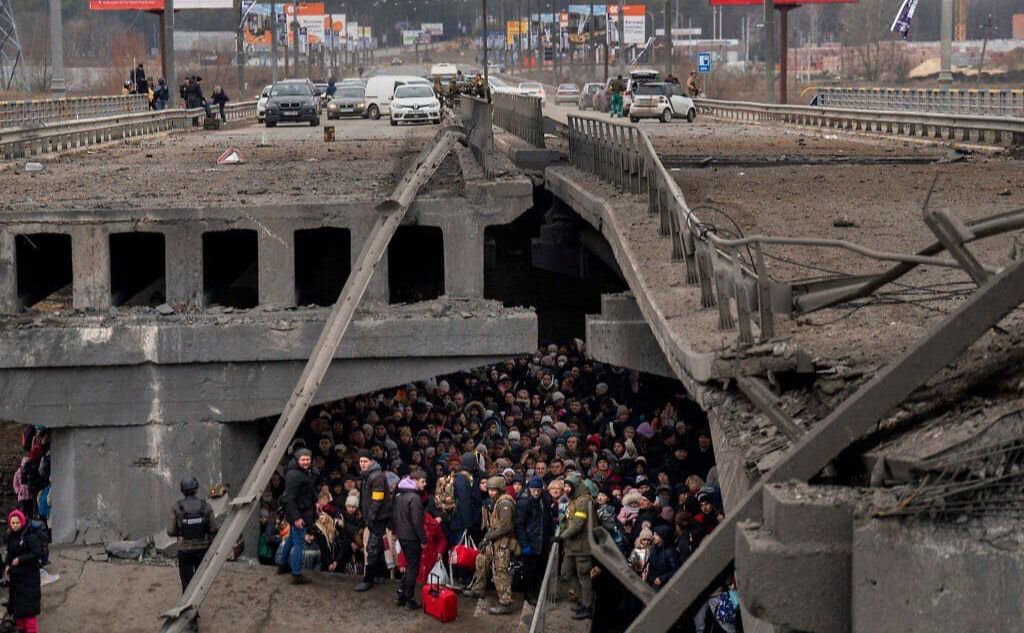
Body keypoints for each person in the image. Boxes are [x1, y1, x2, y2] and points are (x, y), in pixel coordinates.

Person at [464, 476, 517, 615]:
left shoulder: (505, 503)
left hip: (502, 543)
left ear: (500, 489)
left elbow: (506, 527)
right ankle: (478, 589)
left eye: (494, 490)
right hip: (494, 540)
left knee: (500, 571)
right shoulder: (496, 502)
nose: (491, 493)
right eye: (489, 490)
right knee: (481, 560)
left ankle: (505, 602)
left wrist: (488, 537)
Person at [167, 476, 217, 604]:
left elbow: (170, 531)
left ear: (182, 491)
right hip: (202, 549)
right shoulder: (206, 506)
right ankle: (196, 607)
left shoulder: (176, 507)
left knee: (187, 583)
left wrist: (182, 531)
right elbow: (213, 529)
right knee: (200, 582)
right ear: (196, 489)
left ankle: (189, 613)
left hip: (185, 550)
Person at [557, 472, 594, 620]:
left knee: (583, 575)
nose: (566, 489)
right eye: (564, 486)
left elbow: (578, 525)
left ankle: (587, 605)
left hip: (582, 547)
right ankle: (581, 599)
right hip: (571, 546)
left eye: (568, 486)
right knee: (566, 573)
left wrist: (561, 537)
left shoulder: (583, 501)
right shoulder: (573, 500)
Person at [356, 448, 392, 592]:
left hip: (378, 517)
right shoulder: (368, 475)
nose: (363, 464)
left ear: (371, 461)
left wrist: (370, 518)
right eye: (361, 461)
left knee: (372, 546)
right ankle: (381, 574)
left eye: (365, 461)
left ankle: (368, 579)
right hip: (375, 515)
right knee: (377, 544)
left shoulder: (376, 476)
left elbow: (377, 500)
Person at [279, 448, 317, 584]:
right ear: (297, 460)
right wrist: (296, 518)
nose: (306, 462)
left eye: (308, 459)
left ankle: (283, 564)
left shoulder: (299, 472)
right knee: (299, 544)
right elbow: (290, 499)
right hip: (299, 514)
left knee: (291, 539)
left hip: (298, 511)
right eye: (303, 459)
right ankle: (296, 573)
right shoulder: (295, 475)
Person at [393, 468, 427, 610]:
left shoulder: (400, 495)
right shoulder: (414, 498)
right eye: (422, 481)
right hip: (412, 537)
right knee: (413, 568)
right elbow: (417, 522)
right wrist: (423, 539)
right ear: (414, 481)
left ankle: (400, 594)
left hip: (402, 535)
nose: (425, 484)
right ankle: (409, 599)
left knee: (409, 567)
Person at [4, 509, 42, 633]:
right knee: (18, 612)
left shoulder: (30, 536)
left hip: (29, 579)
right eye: (13, 523)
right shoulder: (10, 537)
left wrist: (20, 560)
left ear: (22, 522)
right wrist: (7, 565)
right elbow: (10, 555)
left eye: (17, 522)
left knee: (29, 612)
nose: (15, 525)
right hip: (16, 580)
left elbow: (36, 554)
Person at [515, 475, 549, 605]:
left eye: (538, 490)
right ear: (529, 489)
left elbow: (547, 520)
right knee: (529, 571)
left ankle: (537, 592)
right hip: (530, 541)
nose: (536, 492)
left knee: (539, 570)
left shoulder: (544, 500)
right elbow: (519, 525)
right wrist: (524, 544)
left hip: (541, 541)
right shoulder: (524, 503)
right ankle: (529, 595)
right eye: (533, 489)